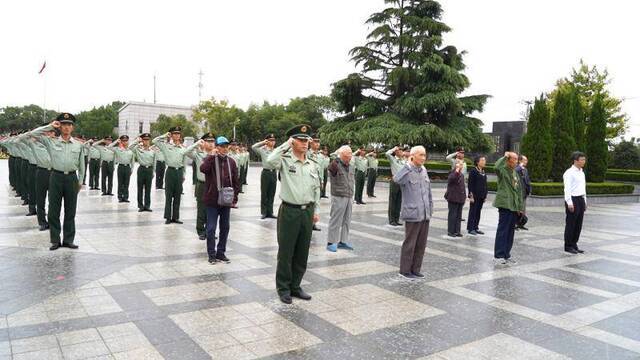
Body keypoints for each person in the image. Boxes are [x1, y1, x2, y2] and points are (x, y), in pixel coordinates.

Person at [267, 124, 320, 304]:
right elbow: (268, 162)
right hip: (289, 211)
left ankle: (296, 286)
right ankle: (283, 288)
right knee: (286, 252)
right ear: (292, 141)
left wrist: (316, 210)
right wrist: (285, 145)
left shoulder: (312, 163)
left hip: (307, 211)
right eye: (300, 140)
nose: (305, 143)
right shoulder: (285, 159)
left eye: (307, 140)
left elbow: (317, 189)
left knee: (302, 252)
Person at [30, 113, 85, 251]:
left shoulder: (78, 145)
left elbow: (82, 164)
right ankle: (55, 240)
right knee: (54, 210)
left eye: (69, 124)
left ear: (72, 127)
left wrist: (81, 181)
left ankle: (68, 240)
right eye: (63, 124)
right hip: (55, 177)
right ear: (59, 127)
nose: (66, 127)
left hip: (72, 178)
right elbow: (33, 134)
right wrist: (50, 126)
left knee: (70, 211)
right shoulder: (51, 142)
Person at [394, 146, 432, 279]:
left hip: (424, 214)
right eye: (420, 155)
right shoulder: (407, 170)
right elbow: (397, 179)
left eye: (424, 155)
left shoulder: (424, 171)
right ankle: (404, 271)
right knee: (410, 243)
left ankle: (416, 269)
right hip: (412, 213)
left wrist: (430, 210)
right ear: (412, 156)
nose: (423, 158)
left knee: (421, 244)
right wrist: (408, 165)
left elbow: (428, 192)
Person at [201, 136, 239, 264]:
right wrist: (212, 156)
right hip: (212, 200)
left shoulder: (231, 162)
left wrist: (235, 197)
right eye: (221, 146)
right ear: (216, 147)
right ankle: (211, 254)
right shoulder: (210, 159)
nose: (224, 149)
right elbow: (203, 169)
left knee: (225, 227)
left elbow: (235, 180)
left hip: (226, 200)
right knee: (211, 228)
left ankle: (221, 252)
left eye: (226, 146)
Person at [492, 152, 524, 265]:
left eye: (517, 159)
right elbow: (496, 167)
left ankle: (506, 254)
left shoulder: (515, 173)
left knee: (510, 231)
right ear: (508, 160)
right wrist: (504, 156)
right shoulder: (503, 170)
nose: (516, 161)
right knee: (503, 230)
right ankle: (498, 255)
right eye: (514, 159)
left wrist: (520, 207)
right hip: (505, 204)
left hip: (514, 206)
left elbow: (519, 191)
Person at [152, 127, 189, 224]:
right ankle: (168, 217)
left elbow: (184, 162)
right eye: (174, 134)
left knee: (177, 196)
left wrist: (184, 174)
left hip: (179, 172)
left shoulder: (183, 148)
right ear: (171, 135)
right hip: (170, 172)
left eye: (178, 134)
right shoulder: (166, 146)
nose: (177, 135)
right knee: (168, 196)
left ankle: (175, 217)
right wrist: (165, 135)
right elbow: (154, 141)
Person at [25, 124, 56, 231]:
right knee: (40, 198)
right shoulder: (33, 144)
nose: (50, 134)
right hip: (42, 172)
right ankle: (42, 222)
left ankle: (53, 222)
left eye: (51, 132)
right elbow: (30, 134)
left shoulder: (56, 144)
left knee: (54, 199)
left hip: (53, 173)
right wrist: (46, 127)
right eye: (47, 132)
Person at [186, 133, 215, 240]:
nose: (211, 144)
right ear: (203, 142)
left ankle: (209, 230)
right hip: (202, 185)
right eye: (209, 141)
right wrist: (197, 144)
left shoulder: (215, 154)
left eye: (213, 141)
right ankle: (201, 231)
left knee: (212, 209)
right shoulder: (198, 154)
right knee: (201, 209)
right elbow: (186, 152)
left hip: (213, 185)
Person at [326, 145, 355, 252]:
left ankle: (343, 241)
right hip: (338, 196)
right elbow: (330, 166)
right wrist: (337, 156)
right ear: (342, 155)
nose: (350, 156)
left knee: (347, 220)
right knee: (336, 219)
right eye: (348, 154)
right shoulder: (335, 165)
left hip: (349, 196)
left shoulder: (351, 166)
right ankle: (331, 242)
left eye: (351, 154)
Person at [563, 152, 587, 254]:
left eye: (584, 160)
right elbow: (567, 189)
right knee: (571, 224)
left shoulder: (582, 172)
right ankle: (568, 245)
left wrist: (585, 201)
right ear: (575, 161)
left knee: (578, 224)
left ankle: (574, 244)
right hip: (573, 199)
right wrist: (569, 202)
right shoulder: (569, 173)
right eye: (582, 160)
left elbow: (583, 188)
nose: (584, 162)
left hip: (580, 199)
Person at [252, 134, 278, 219]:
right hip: (266, 173)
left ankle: (270, 212)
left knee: (272, 193)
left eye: (273, 140)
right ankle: (263, 212)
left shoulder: (276, 151)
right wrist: (263, 142)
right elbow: (253, 147)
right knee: (264, 193)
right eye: (270, 140)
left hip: (274, 173)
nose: (272, 142)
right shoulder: (263, 150)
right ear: (267, 141)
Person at [129, 133, 156, 212]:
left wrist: (153, 172)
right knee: (140, 188)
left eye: (147, 140)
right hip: (141, 170)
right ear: (142, 140)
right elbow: (130, 148)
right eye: (144, 140)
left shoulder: (153, 151)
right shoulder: (138, 149)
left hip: (149, 170)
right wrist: (137, 141)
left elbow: (154, 162)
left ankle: (147, 206)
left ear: (149, 141)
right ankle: (140, 206)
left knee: (148, 189)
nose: (146, 141)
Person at [109, 135, 135, 203]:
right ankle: (120, 197)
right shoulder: (117, 149)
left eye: (126, 141)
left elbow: (132, 160)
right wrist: (116, 141)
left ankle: (126, 197)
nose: (125, 142)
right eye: (123, 141)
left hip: (127, 167)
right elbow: (109, 147)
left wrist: (132, 169)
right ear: (121, 141)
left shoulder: (130, 150)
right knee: (120, 183)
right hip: (121, 167)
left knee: (126, 183)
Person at [467, 155, 488, 235]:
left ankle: (476, 227)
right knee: (473, 212)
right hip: (474, 196)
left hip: (481, 196)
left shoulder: (483, 171)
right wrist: (471, 195)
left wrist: (485, 195)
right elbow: (470, 184)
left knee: (478, 212)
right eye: (482, 160)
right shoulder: (473, 171)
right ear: (477, 162)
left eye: (484, 160)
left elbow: (485, 184)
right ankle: (470, 228)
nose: (484, 162)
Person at [385, 145, 406, 226]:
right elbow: (387, 154)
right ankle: (391, 220)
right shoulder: (393, 159)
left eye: (402, 150)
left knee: (399, 201)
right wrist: (394, 148)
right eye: (400, 150)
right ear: (397, 152)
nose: (402, 152)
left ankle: (396, 219)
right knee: (393, 201)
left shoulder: (404, 161)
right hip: (395, 182)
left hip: (402, 182)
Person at [446, 159, 466, 237]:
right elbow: (451, 179)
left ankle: (457, 231)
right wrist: (457, 170)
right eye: (460, 164)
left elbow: (463, 187)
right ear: (456, 165)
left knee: (458, 216)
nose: (462, 166)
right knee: (452, 215)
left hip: (460, 198)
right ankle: (451, 231)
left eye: (462, 164)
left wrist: (464, 197)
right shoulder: (453, 173)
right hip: (453, 197)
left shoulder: (461, 174)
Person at [515, 155, 532, 231]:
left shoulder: (525, 170)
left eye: (526, 160)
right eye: (525, 160)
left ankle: (520, 224)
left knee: (523, 209)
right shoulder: (517, 168)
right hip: (519, 193)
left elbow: (527, 181)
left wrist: (529, 190)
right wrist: (520, 166)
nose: (526, 162)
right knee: (518, 209)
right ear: (520, 161)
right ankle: (515, 224)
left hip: (524, 193)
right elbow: (515, 171)